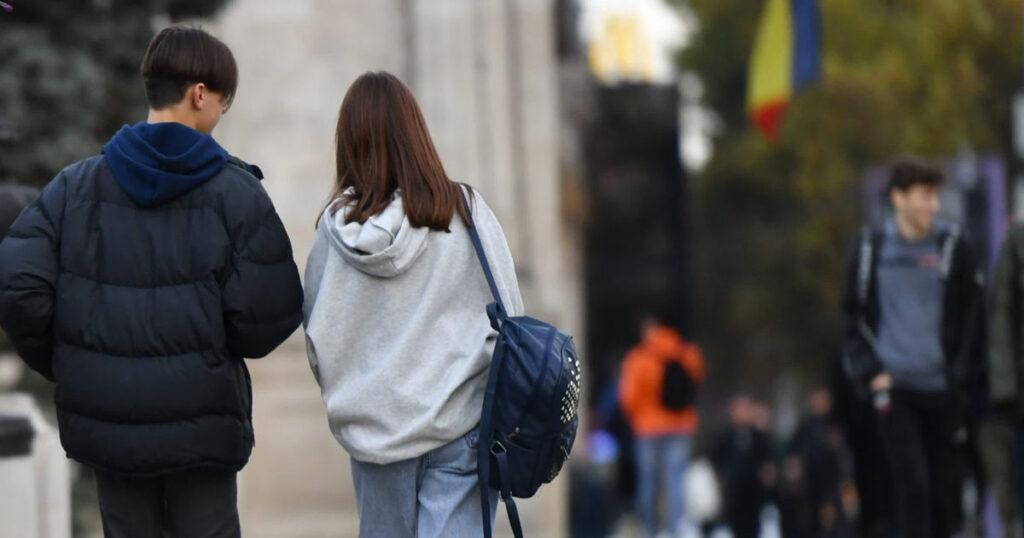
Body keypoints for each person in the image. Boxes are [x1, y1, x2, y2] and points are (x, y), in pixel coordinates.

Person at [0, 26, 303, 538]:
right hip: (203, 427)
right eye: (224, 101)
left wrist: (73, 361)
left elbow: (18, 287)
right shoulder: (237, 194)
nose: (223, 112)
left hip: (110, 424)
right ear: (199, 94)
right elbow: (267, 315)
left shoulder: (74, 187)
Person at [302, 71, 524, 538]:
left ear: (350, 143)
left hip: (375, 437)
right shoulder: (465, 210)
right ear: (415, 133)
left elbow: (317, 338)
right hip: (462, 427)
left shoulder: (333, 231)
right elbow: (512, 317)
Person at [841, 157, 985, 538]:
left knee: (944, 494)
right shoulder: (870, 249)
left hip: (942, 390)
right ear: (899, 198)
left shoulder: (953, 247)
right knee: (912, 486)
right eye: (925, 196)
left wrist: (960, 377)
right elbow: (852, 317)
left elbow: (973, 317)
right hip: (895, 389)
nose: (933, 206)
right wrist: (871, 372)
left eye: (936, 196)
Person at [618, 314, 706, 538]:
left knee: (647, 482)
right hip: (680, 426)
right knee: (675, 481)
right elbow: (697, 377)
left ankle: (649, 530)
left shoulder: (637, 358)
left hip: (647, 428)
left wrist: (637, 417)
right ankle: (674, 530)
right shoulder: (685, 352)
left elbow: (628, 398)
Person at [711, 395, 774, 538]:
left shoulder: (758, 437)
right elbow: (717, 461)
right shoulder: (726, 437)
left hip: (753, 492)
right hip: (733, 491)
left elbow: (766, 462)